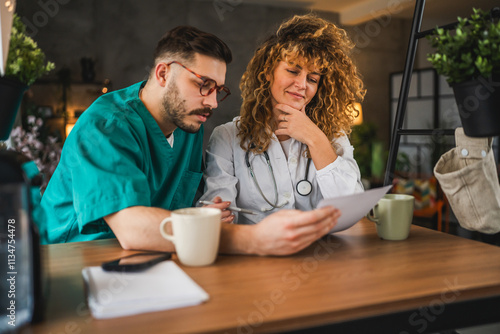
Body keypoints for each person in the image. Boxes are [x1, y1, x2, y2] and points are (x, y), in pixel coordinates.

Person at [40, 25, 340, 255]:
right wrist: (254, 239)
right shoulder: (105, 127)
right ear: (162, 73)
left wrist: (203, 216)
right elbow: (132, 229)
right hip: (77, 257)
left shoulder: (188, 123)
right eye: (202, 85)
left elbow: (171, 211)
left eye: (218, 90)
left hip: (153, 255)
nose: (212, 103)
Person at [200, 14, 366, 225]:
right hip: (257, 253)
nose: (302, 84)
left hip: (322, 253)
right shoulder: (227, 137)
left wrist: (315, 139)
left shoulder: (333, 136)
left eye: (312, 79)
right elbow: (217, 215)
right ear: (268, 72)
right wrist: (214, 216)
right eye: (293, 71)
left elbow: (353, 209)